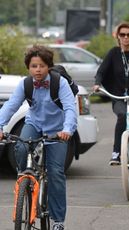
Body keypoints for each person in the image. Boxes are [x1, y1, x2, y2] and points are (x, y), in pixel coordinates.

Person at [0, 45, 77, 230]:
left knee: (56, 173)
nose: (38, 70)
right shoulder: (25, 84)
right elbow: (11, 106)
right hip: (34, 124)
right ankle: (25, 178)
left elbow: (69, 109)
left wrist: (67, 130)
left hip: (57, 130)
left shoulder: (60, 83)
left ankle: (58, 220)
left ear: (48, 66)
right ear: (29, 67)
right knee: (20, 145)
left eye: (42, 66)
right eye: (34, 66)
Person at [93, 22, 129, 173]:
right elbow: (101, 72)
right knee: (121, 116)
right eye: (122, 34)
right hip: (119, 97)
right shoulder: (113, 53)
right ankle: (116, 153)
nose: (125, 37)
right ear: (118, 36)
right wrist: (97, 83)